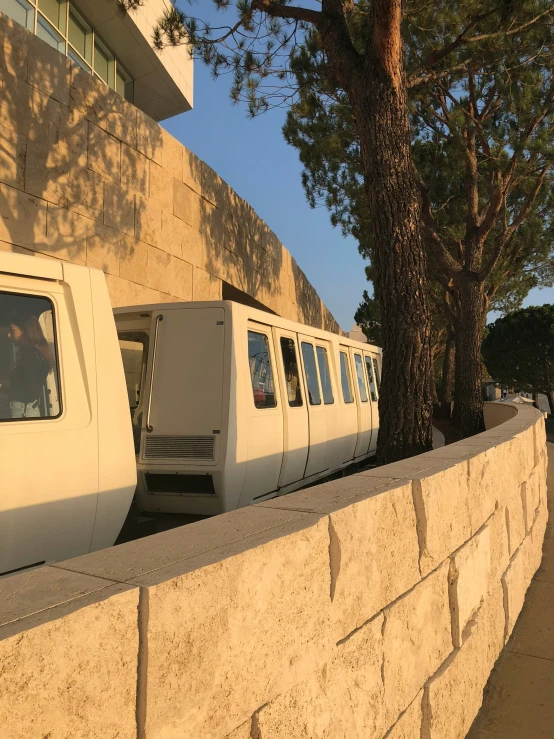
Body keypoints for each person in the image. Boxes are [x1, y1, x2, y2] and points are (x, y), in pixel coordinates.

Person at [0, 313, 53, 419]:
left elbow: (29, 394)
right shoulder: (37, 353)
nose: (9, 335)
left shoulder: (31, 356)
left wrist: (2, 387)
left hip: (23, 413)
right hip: (25, 411)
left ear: (25, 331)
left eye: (13, 330)